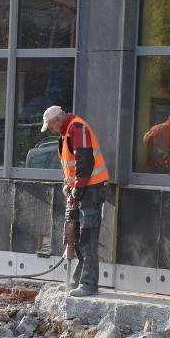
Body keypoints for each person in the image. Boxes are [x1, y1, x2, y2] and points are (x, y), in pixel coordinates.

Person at [41, 105, 109, 297]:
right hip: (82, 190)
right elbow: (70, 165)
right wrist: (68, 185)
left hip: (91, 190)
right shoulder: (66, 133)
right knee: (76, 237)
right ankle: (78, 281)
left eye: (51, 127)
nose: (51, 131)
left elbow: (85, 161)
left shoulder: (77, 128)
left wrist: (77, 189)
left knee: (88, 237)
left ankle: (88, 284)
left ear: (57, 120)